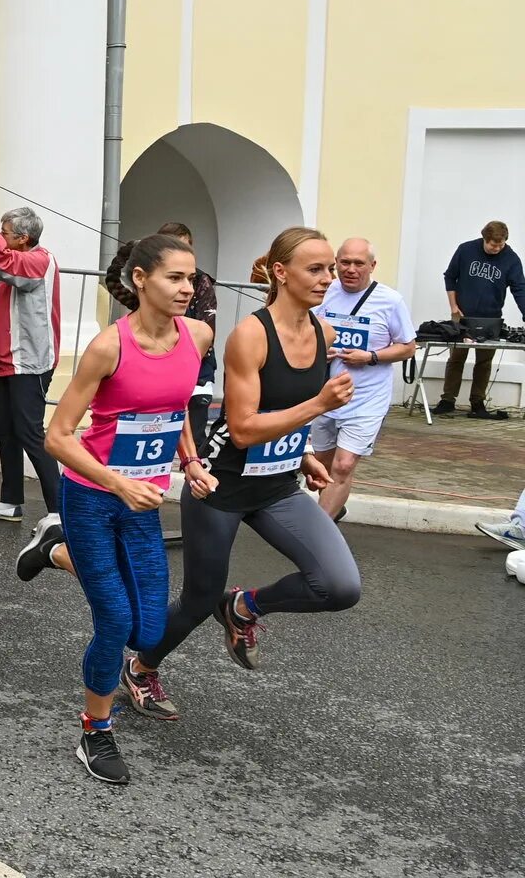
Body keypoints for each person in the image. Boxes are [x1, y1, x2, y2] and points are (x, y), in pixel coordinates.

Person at [130, 227, 361, 710]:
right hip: (221, 485)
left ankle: (242, 606)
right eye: (315, 269)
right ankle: (140, 668)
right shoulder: (250, 336)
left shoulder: (325, 333)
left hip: (278, 485)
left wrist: (302, 454)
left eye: (331, 270)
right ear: (281, 273)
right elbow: (243, 429)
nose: (328, 279)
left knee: (339, 586)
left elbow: (285, 407)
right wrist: (319, 404)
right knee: (197, 598)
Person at [26, 233, 216, 784]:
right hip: (91, 495)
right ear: (140, 280)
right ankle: (95, 732)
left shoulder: (197, 336)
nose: (188, 288)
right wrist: (117, 482)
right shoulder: (109, 347)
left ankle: (56, 551)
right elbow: (58, 437)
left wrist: (191, 461)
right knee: (114, 620)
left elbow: (173, 404)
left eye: (191, 278)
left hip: (143, 500)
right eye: (175, 278)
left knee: (149, 629)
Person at [0, 177, 63, 524]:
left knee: (29, 433)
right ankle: (11, 501)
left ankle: (57, 509)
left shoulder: (37, 259)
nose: (4, 238)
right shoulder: (25, 260)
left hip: (31, 361)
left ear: (23, 238)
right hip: (12, 359)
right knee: (6, 430)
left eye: (7, 233)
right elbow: (14, 287)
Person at [310, 238, 416, 520]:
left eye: (359, 263)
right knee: (322, 464)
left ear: (372, 266)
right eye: (344, 262)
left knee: (343, 466)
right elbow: (305, 330)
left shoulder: (390, 300)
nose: (351, 269)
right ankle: (334, 505)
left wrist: (370, 357)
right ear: (336, 263)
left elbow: (408, 346)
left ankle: (320, 532)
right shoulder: (324, 291)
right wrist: (320, 349)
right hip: (325, 394)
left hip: (366, 398)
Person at [439, 220, 525, 418]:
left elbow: (519, 288)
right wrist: (453, 306)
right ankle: (447, 400)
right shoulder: (466, 250)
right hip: (463, 316)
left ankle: (477, 402)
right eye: (492, 244)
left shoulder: (511, 259)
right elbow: (450, 277)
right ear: (484, 239)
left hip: (491, 319)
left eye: (500, 245)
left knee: (484, 362)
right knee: (456, 358)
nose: (496, 248)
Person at [156, 222, 218, 449]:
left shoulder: (201, 282)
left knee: (196, 444)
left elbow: (206, 330)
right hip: (158, 370)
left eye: (186, 248)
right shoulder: (152, 282)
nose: (186, 288)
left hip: (197, 370)